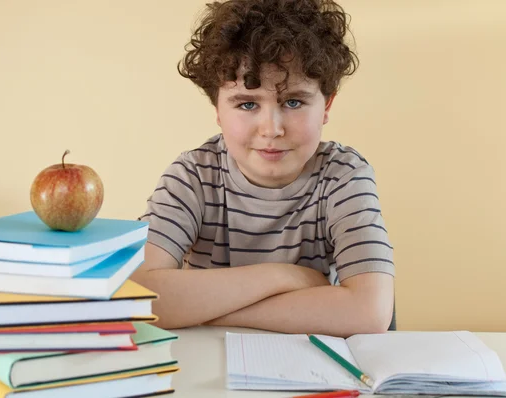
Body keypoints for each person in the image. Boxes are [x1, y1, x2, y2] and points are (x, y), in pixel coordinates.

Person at [131, 0, 395, 338]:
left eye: (293, 102)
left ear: (326, 105)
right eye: (247, 104)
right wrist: (284, 276)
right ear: (217, 109)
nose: (271, 129)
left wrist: (205, 310)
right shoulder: (193, 176)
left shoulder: (343, 177)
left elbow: (370, 313)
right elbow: (136, 296)